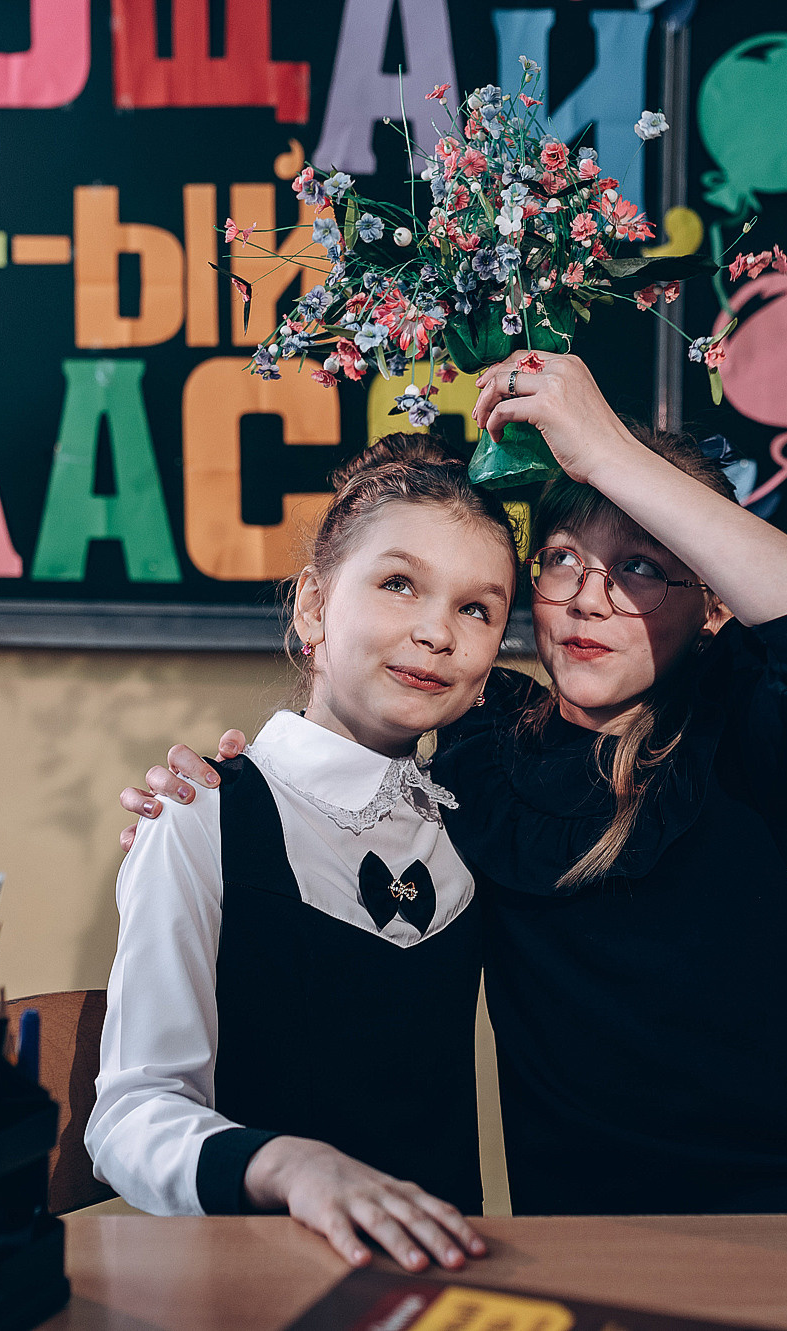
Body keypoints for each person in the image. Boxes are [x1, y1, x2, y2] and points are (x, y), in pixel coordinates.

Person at [128, 354, 787, 1217]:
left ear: (715, 605)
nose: (589, 598)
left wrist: (602, 451)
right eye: (559, 559)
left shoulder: (737, 736)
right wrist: (229, 802)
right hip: (594, 1234)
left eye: (644, 568)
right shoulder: (480, 746)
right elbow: (353, 759)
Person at [86, 435, 509, 1273]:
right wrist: (289, 1163)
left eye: (477, 608)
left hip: (447, 1282)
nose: (436, 631)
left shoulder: (481, 824)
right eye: (398, 583)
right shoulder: (199, 814)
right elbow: (130, 1114)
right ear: (313, 606)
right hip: (257, 1281)